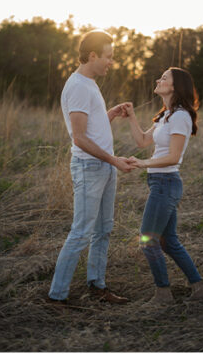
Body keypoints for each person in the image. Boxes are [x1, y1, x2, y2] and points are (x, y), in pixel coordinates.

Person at [48, 30, 137, 305]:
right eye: (108, 57)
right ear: (93, 55)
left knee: (104, 230)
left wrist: (109, 114)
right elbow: (79, 138)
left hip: (105, 167)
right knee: (81, 233)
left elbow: (91, 128)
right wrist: (114, 160)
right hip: (90, 168)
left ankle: (97, 287)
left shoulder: (89, 83)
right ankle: (57, 296)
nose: (112, 62)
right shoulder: (76, 86)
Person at [120, 68, 203, 305]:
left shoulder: (181, 116)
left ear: (174, 86)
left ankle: (163, 294)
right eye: (159, 77)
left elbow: (173, 156)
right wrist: (131, 116)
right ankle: (200, 289)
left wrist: (143, 163)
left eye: (164, 78)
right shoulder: (166, 115)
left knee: (147, 240)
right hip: (159, 183)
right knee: (167, 241)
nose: (158, 80)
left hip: (166, 183)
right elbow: (142, 141)